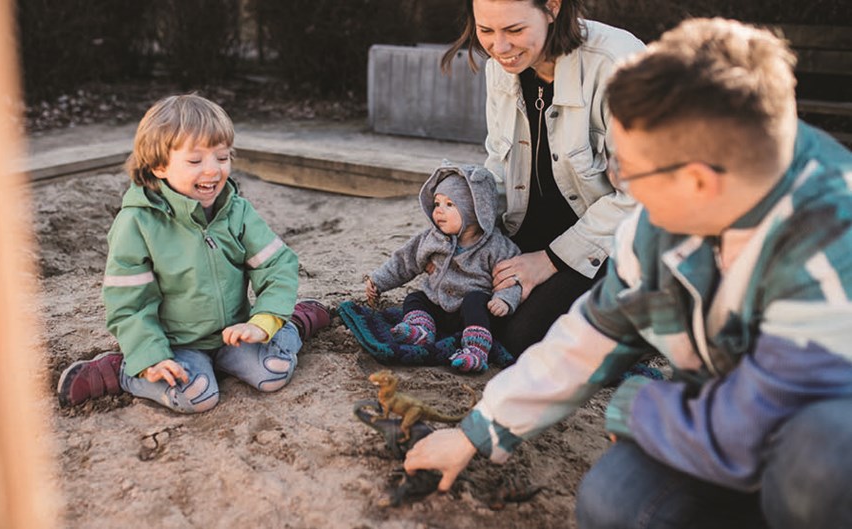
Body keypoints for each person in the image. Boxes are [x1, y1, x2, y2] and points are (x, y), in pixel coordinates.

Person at [407, 18, 852, 528]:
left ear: (700, 180)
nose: (623, 186)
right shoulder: (667, 220)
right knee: (615, 500)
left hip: (808, 427)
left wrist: (638, 408)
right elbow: (591, 333)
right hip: (720, 416)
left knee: (823, 460)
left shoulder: (829, 233)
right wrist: (473, 434)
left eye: (631, 172)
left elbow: (763, 416)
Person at [56, 94, 331, 413]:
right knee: (198, 396)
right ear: (159, 165)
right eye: (195, 161)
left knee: (273, 372)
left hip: (234, 336)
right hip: (176, 344)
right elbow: (130, 303)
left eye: (222, 157)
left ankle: (294, 322)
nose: (213, 171)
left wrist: (263, 320)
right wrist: (151, 357)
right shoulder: (136, 223)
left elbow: (277, 265)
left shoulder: (236, 211)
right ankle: (123, 370)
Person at [441, 0, 643, 356]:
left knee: (527, 340)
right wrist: (468, 227)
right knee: (456, 304)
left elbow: (641, 196)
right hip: (532, 234)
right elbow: (498, 166)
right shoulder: (500, 68)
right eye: (485, 30)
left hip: (610, 244)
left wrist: (548, 261)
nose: (499, 48)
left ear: (552, 7)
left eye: (515, 30)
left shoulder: (618, 64)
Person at [365, 162, 521, 372]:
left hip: (471, 313)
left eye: (449, 205)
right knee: (416, 298)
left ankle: (475, 348)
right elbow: (404, 261)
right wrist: (379, 281)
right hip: (438, 306)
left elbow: (513, 276)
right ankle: (421, 330)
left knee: (475, 301)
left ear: (475, 210)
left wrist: (505, 299)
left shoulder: (496, 246)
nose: (439, 211)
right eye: (437, 203)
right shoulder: (432, 239)